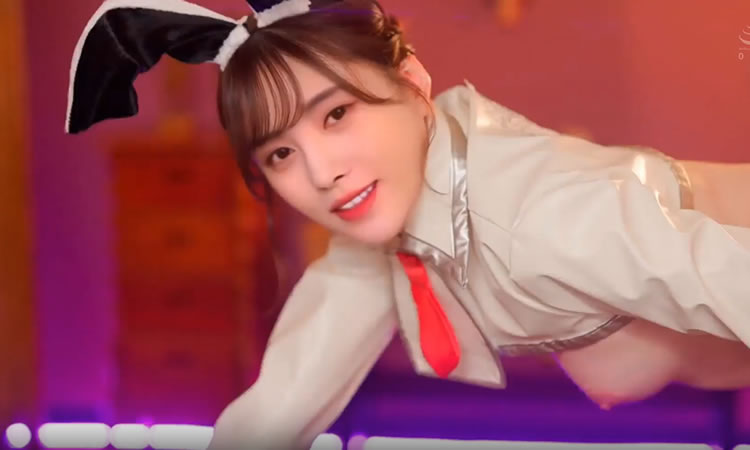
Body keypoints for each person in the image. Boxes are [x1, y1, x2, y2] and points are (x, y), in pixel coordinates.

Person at [65, 0, 750, 448]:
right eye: (281, 154)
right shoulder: (386, 230)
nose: (321, 173)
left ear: (413, 81)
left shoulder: (535, 212)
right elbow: (277, 409)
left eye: (337, 114)